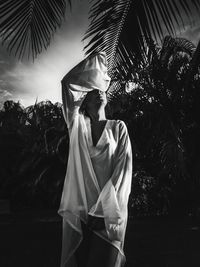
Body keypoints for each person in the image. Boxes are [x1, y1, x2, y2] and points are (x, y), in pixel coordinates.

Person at [58, 52, 132, 267]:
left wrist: (103, 212)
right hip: (81, 210)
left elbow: (123, 173)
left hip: (109, 211)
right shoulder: (77, 125)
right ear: (84, 100)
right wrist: (96, 61)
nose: (99, 93)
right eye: (93, 91)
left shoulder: (118, 127)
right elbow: (67, 84)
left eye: (101, 90)